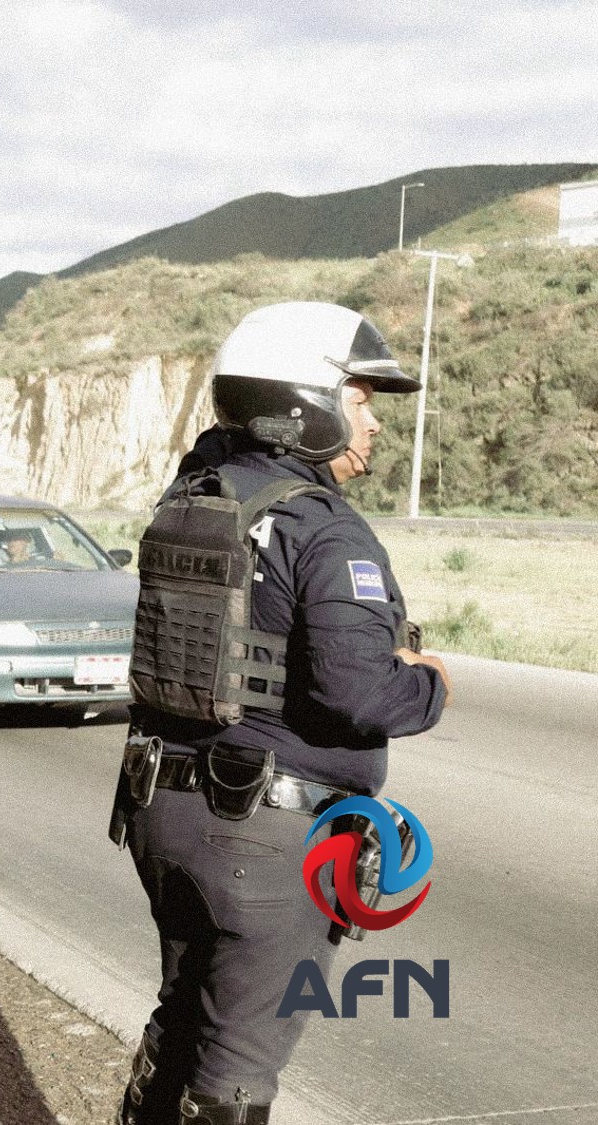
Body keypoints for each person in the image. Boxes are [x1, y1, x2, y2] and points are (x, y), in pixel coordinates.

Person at [113, 302, 452, 1123]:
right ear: (306, 401)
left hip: (166, 809)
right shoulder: (322, 527)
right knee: (236, 1067)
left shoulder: (193, 497)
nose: (370, 424)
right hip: (263, 833)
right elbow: (357, 693)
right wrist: (431, 680)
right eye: (362, 400)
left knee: (183, 1018)